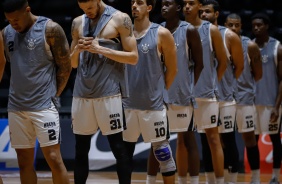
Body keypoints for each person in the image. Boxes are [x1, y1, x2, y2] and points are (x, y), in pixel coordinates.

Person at [1, 0, 72, 183]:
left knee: (55, 160)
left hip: (44, 106)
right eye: (9, 20)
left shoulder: (50, 29)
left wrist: (54, 95)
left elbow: (65, 67)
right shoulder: (5, 33)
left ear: (28, 10)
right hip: (16, 108)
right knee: (24, 163)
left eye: (16, 19)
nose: (13, 24)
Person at [70, 0, 138, 183]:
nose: (87, 12)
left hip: (109, 92)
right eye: (83, 9)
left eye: (90, 7)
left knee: (118, 148)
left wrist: (100, 49)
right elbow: (73, 63)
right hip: (82, 93)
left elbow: (133, 57)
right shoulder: (77, 22)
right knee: (80, 149)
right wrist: (77, 49)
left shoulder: (120, 19)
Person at [145, 0, 203, 183]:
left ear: (178, 8)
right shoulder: (156, 30)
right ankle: (150, 181)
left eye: (168, 4)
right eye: (162, 4)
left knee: (188, 140)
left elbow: (200, 64)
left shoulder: (189, 30)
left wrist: (188, 87)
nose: (163, 7)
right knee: (157, 142)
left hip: (182, 96)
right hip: (158, 96)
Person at [123, 0, 178, 183]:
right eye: (132, 2)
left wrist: (158, 91)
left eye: (139, 2)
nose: (134, 6)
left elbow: (172, 70)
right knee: (124, 156)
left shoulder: (162, 33)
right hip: (127, 105)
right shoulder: (123, 32)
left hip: (153, 105)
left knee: (163, 154)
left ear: (149, 7)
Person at [199, 1, 245, 183]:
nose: (203, 15)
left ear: (217, 14)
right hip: (204, 97)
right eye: (201, 12)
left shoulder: (230, 36)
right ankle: (211, 180)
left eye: (207, 12)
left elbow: (239, 67)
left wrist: (225, 83)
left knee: (228, 139)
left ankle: (232, 180)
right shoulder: (196, 34)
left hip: (224, 97)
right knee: (205, 141)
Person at [183, 0, 228, 183]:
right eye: (184, 3)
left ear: (199, 6)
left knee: (214, 140)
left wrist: (212, 81)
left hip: (206, 93)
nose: (187, 6)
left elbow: (223, 61)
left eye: (191, 3)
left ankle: (220, 181)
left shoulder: (211, 30)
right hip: (183, 94)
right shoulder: (178, 29)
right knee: (182, 141)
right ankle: (183, 180)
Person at [224, 13, 263, 184]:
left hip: (244, 98)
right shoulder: (220, 43)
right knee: (226, 141)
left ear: (241, 26)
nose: (233, 28)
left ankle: (255, 178)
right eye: (230, 25)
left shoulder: (251, 46)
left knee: (249, 139)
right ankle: (231, 179)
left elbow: (259, 74)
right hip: (225, 99)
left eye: (237, 25)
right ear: (225, 25)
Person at [252, 12, 282, 184]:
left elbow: (281, 79)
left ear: (267, 26)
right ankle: (255, 178)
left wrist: (277, 106)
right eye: (254, 25)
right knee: (252, 142)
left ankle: (275, 177)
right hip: (253, 103)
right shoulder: (249, 46)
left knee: (275, 140)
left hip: (271, 103)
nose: (256, 27)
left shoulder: (277, 47)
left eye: (259, 25)